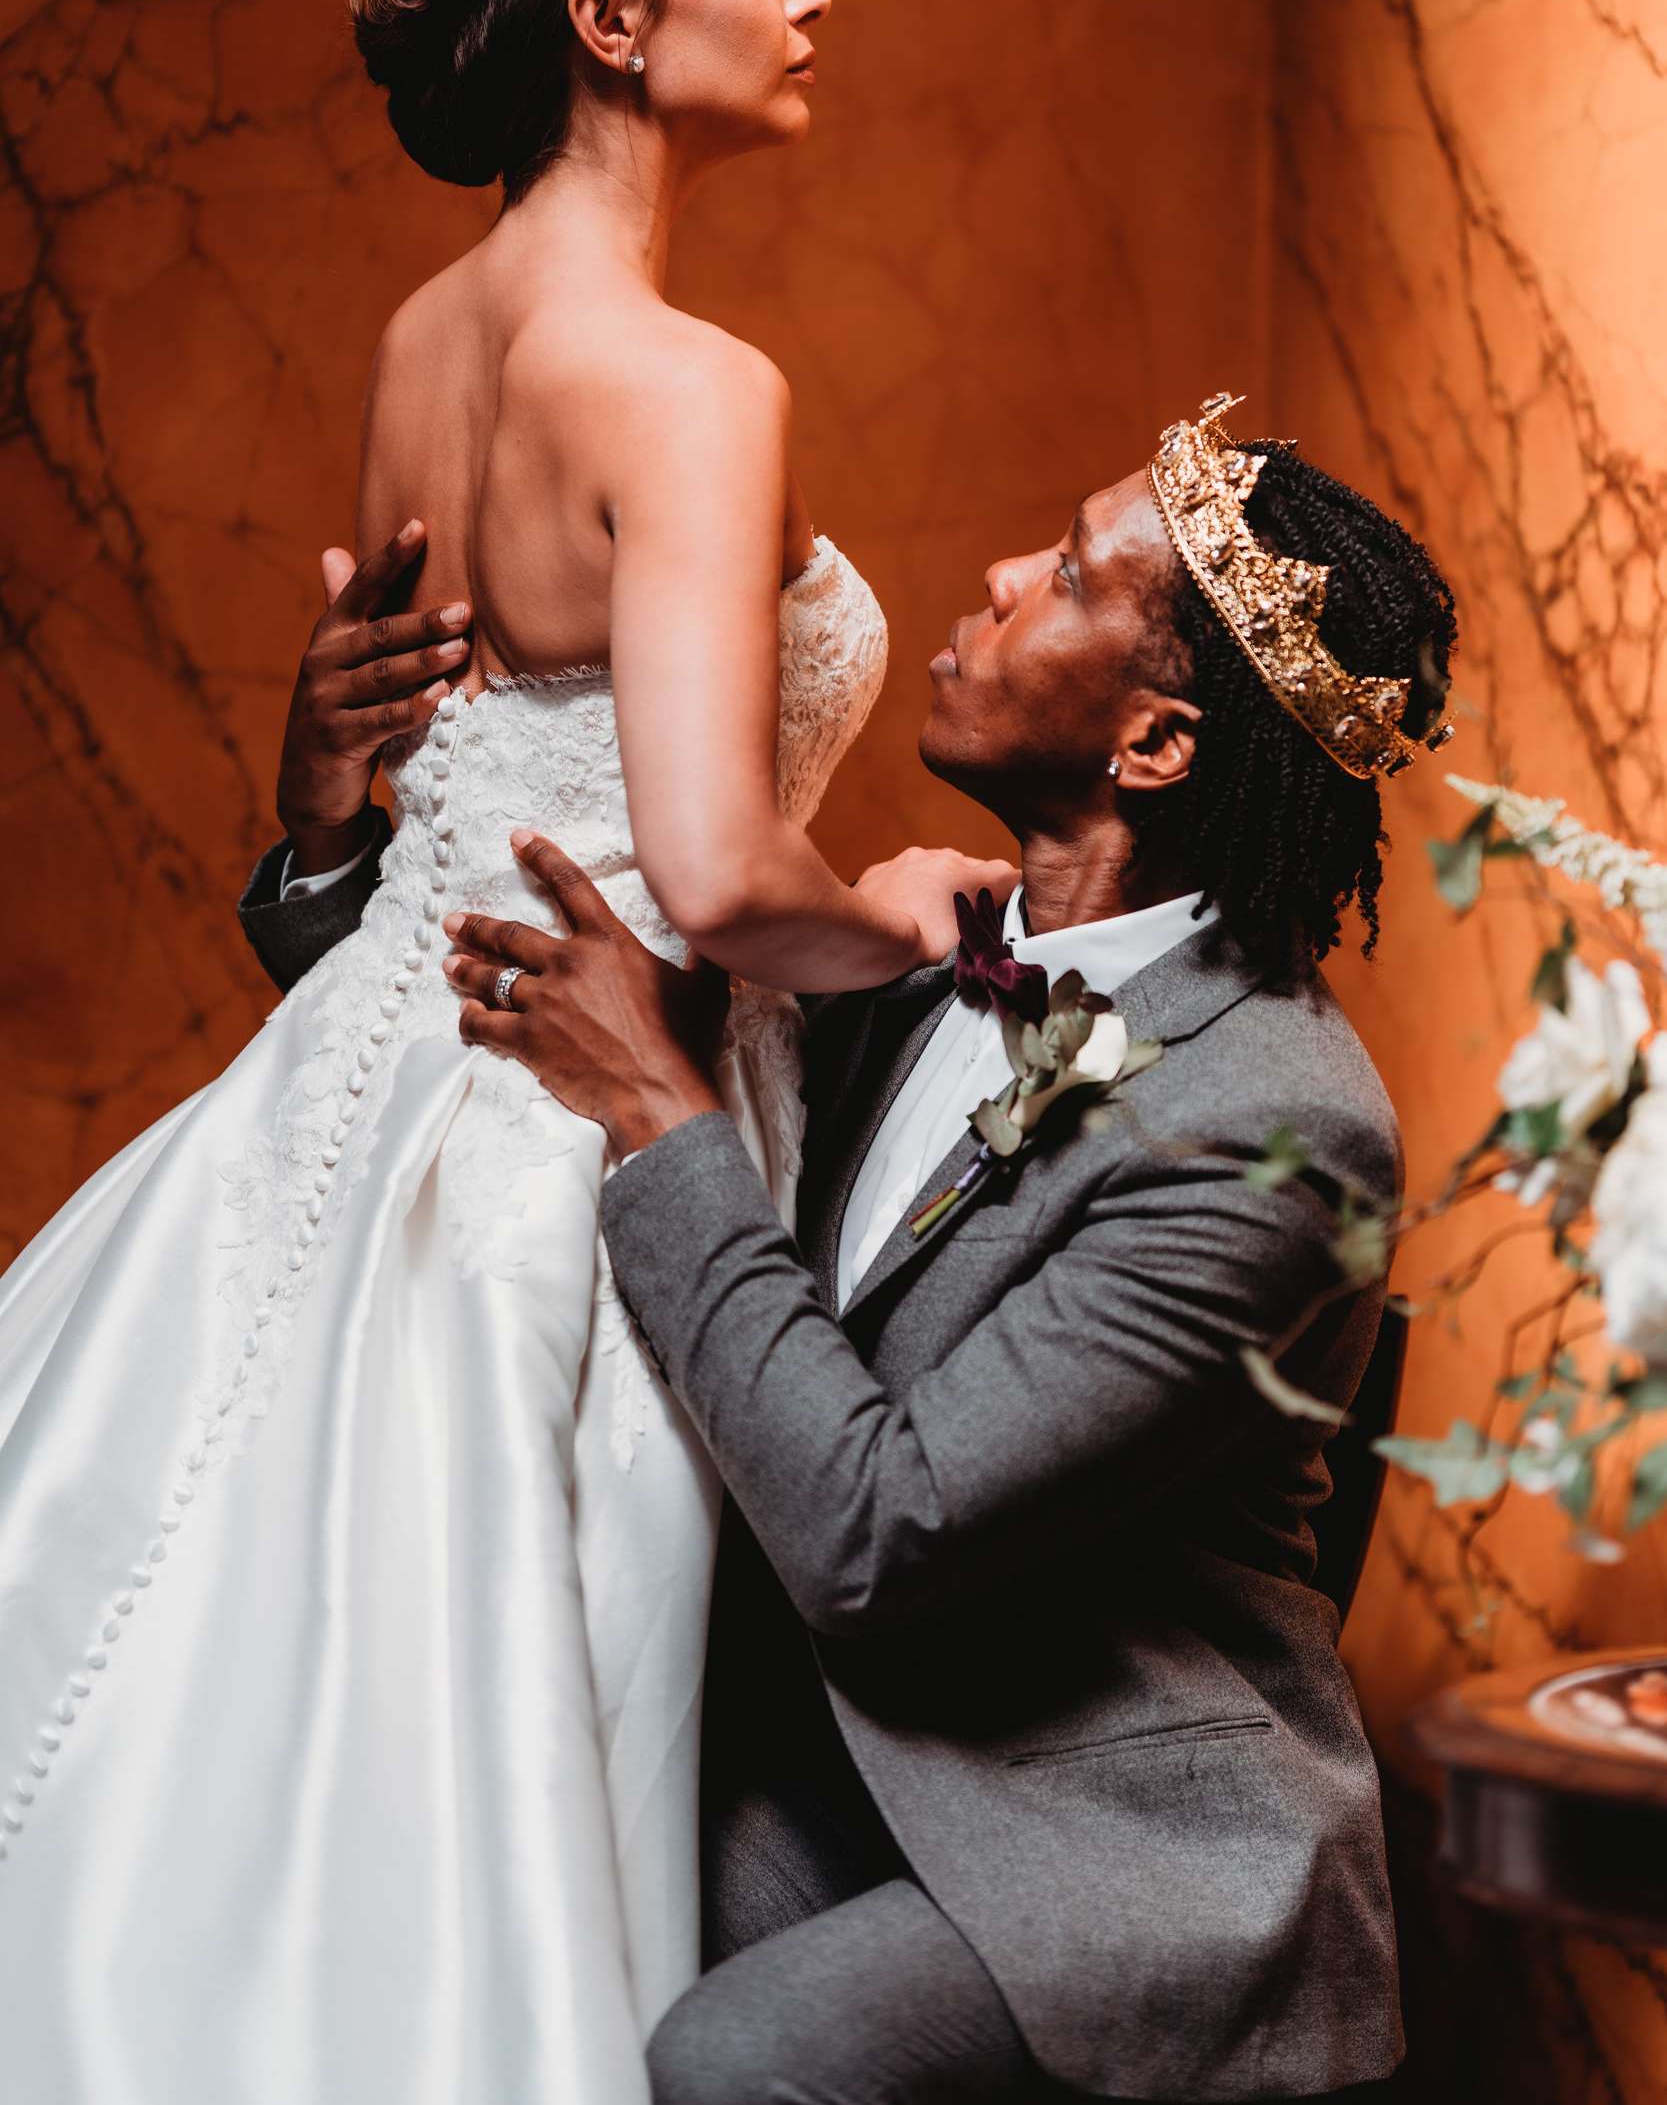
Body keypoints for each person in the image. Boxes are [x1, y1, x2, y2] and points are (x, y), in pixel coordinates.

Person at [0, 0, 1005, 2103]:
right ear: (614, 17)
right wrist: (924, 924)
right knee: (510, 1771)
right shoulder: (685, 380)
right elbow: (717, 869)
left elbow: (419, 795)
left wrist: (314, 797)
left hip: (330, 1110)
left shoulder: (422, 338)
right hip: (565, 1156)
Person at [249, 399, 1459, 2102]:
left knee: (740, 2059)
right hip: (825, 1743)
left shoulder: (1274, 1133)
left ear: (1156, 744)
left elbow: (876, 1530)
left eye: (1066, 573)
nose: (1000, 573)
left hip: (1109, 1825)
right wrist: (325, 818)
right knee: (432, 1890)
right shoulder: (905, 949)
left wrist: (664, 1113)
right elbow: (488, 1086)